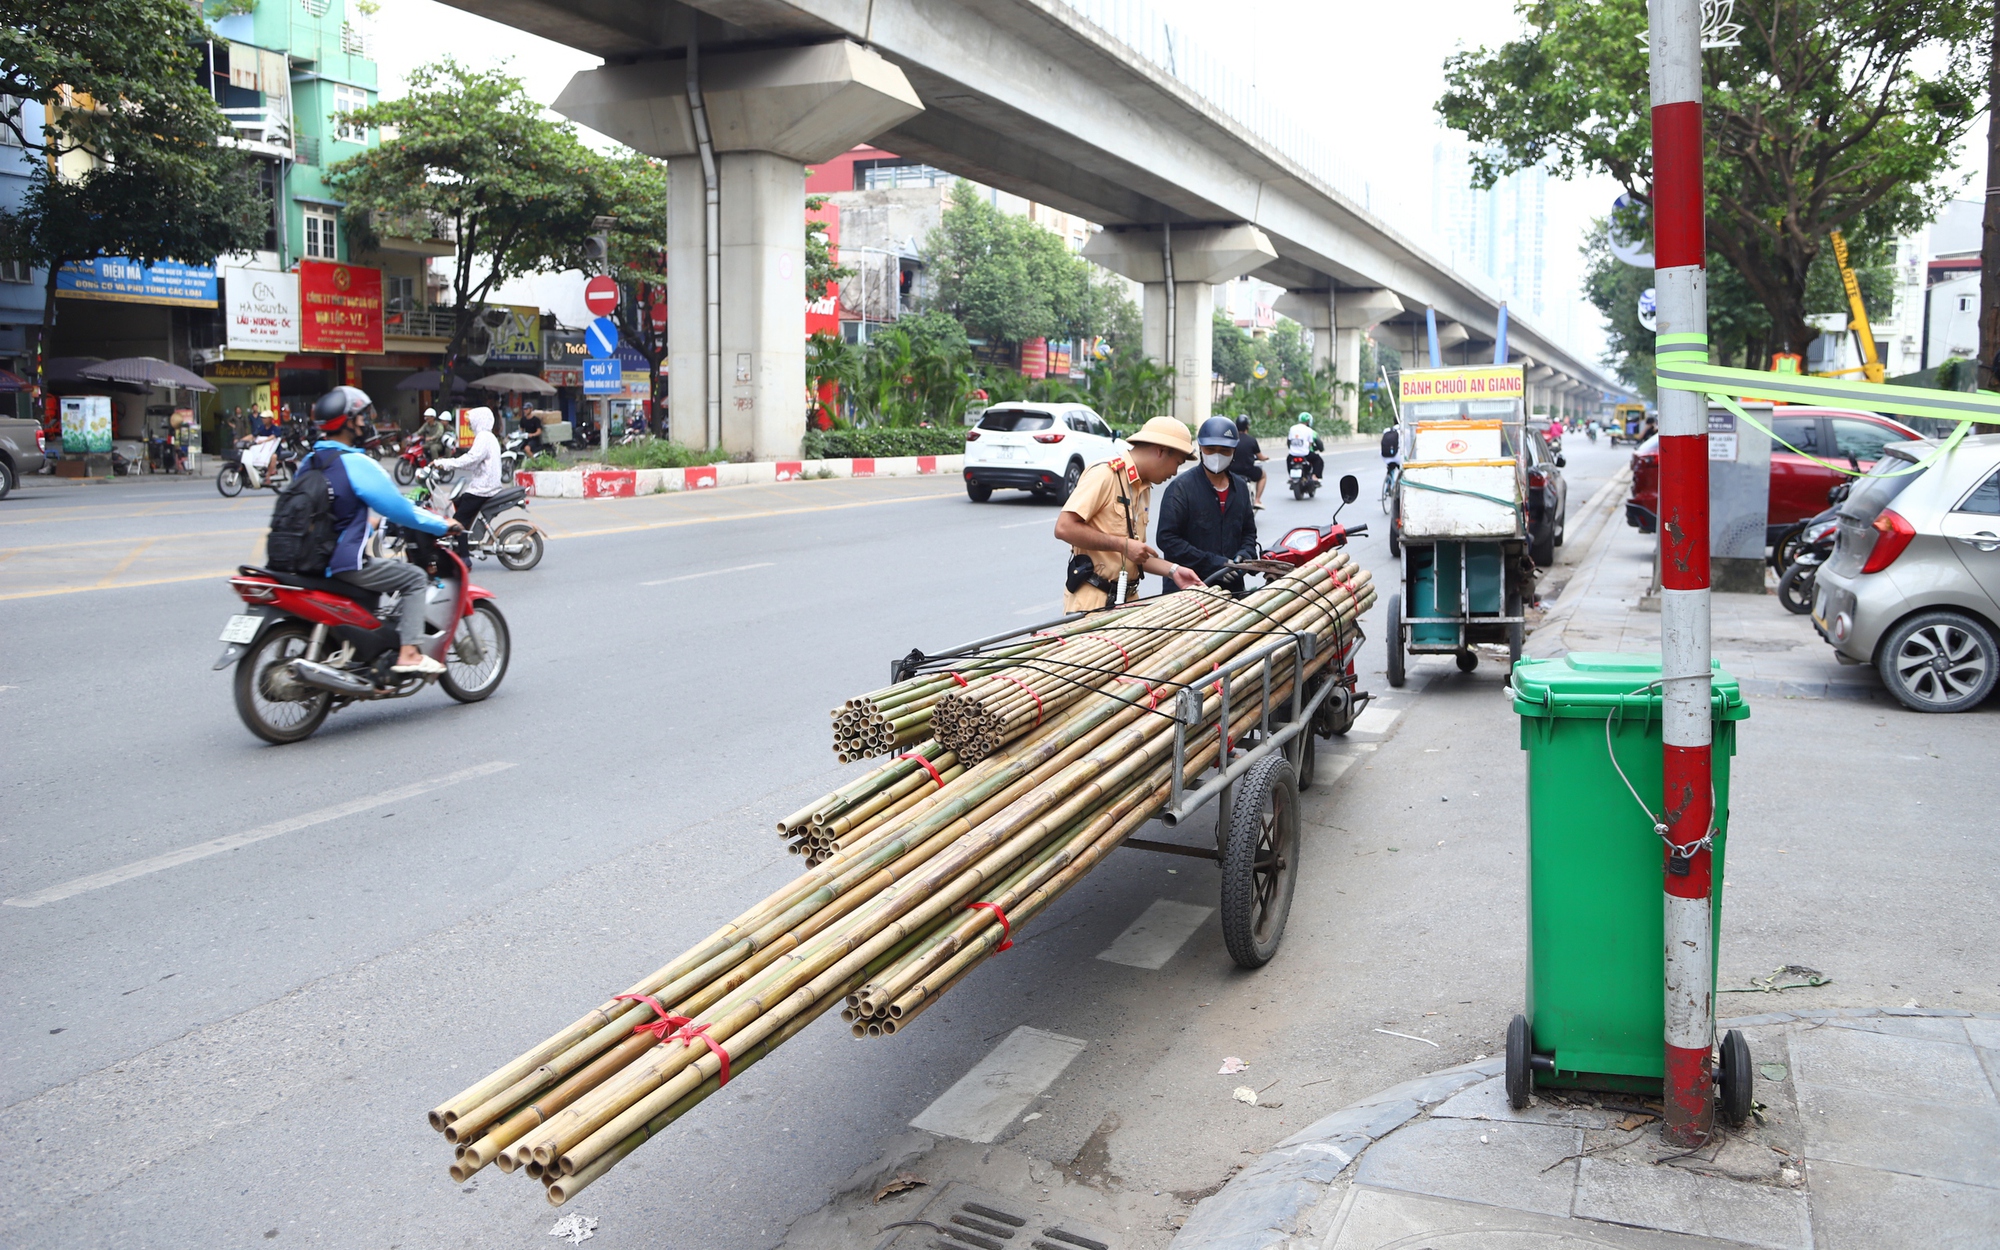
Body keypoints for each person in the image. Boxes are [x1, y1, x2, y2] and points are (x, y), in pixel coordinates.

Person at [307, 386, 458, 674]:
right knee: (414, 577)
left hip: (308, 559)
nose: (365, 424)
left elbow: (328, 511)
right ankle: (410, 653)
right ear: (348, 422)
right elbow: (399, 509)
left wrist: (367, 523)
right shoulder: (356, 463)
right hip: (340, 562)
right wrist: (442, 524)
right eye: (361, 418)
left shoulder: (310, 461)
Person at [1052, 416, 1204, 611]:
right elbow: (1064, 528)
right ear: (1161, 451)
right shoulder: (1106, 474)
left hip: (1128, 599)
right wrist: (1122, 545)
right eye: (1177, 462)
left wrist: (1174, 570)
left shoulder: (1143, 487)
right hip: (1094, 601)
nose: (1175, 471)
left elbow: (1134, 552)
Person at [1157, 417, 1259, 594]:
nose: (1217, 455)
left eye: (1224, 451)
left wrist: (1245, 554)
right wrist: (1212, 563)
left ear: (1234, 451)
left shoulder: (1241, 488)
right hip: (1188, 590)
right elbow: (1167, 539)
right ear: (1201, 449)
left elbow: (1248, 532)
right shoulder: (1181, 488)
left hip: (1231, 590)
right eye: (1211, 449)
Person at [434, 405, 502, 531]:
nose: (470, 426)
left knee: (457, 523)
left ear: (479, 421)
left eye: (471, 422)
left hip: (483, 488)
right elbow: (473, 463)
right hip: (485, 486)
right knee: (456, 503)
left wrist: (445, 463)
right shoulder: (489, 437)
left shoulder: (483, 437)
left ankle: (462, 551)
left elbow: (471, 459)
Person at [1229, 414, 1269, 510]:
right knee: (1263, 475)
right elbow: (1260, 456)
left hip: (1231, 471)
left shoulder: (1231, 439)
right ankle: (1257, 500)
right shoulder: (1251, 440)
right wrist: (1266, 458)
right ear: (1247, 426)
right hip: (1247, 471)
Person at [1286, 411, 1325, 485]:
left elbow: (1289, 441)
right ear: (1309, 421)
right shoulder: (1309, 430)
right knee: (1318, 460)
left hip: (1293, 454)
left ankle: (1291, 476)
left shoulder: (1292, 428)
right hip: (1305, 454)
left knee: (1288, 460)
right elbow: (1310, 444)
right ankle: (1314, 476)